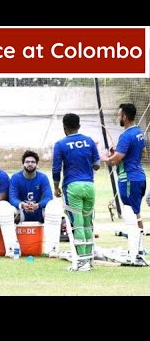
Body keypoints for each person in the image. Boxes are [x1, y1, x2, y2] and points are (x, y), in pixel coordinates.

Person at [100, 103, 147, 265]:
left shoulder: (126, 135)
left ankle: (134, 255)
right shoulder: (139, 133)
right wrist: (120, 153)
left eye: (119, 115)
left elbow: (115, 160)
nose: (118, 118)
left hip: (128, 179)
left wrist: (105, 157)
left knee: (129, 214)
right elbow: (143, 152)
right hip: (140, 178)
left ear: (125, 117)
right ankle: (139, 250)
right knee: (136, 213)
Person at [52, 113, 100, 271]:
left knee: (77, 223)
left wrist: (56, 187)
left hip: (72, 186)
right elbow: (97, 165)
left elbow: (56, 169)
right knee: (88, 223)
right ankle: (89, 259)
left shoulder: (60, 144)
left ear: (64, 127)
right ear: (79, 126)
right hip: (89, 186)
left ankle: (81, 261)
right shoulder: (89, 141)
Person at [3, 150, 61, 257]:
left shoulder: (42, 177)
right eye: (27, 162)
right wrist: (22, 205)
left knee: (54, 205)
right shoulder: (16, 177)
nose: (30, 164)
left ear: (37, 164)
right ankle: (12, 249)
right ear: (23, 164)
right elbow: (12, 197)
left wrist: (38, 205)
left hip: (39, 211)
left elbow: (48, 196)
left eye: (33, 162)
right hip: (22, 212)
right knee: (3, 206)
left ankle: (52, 249)